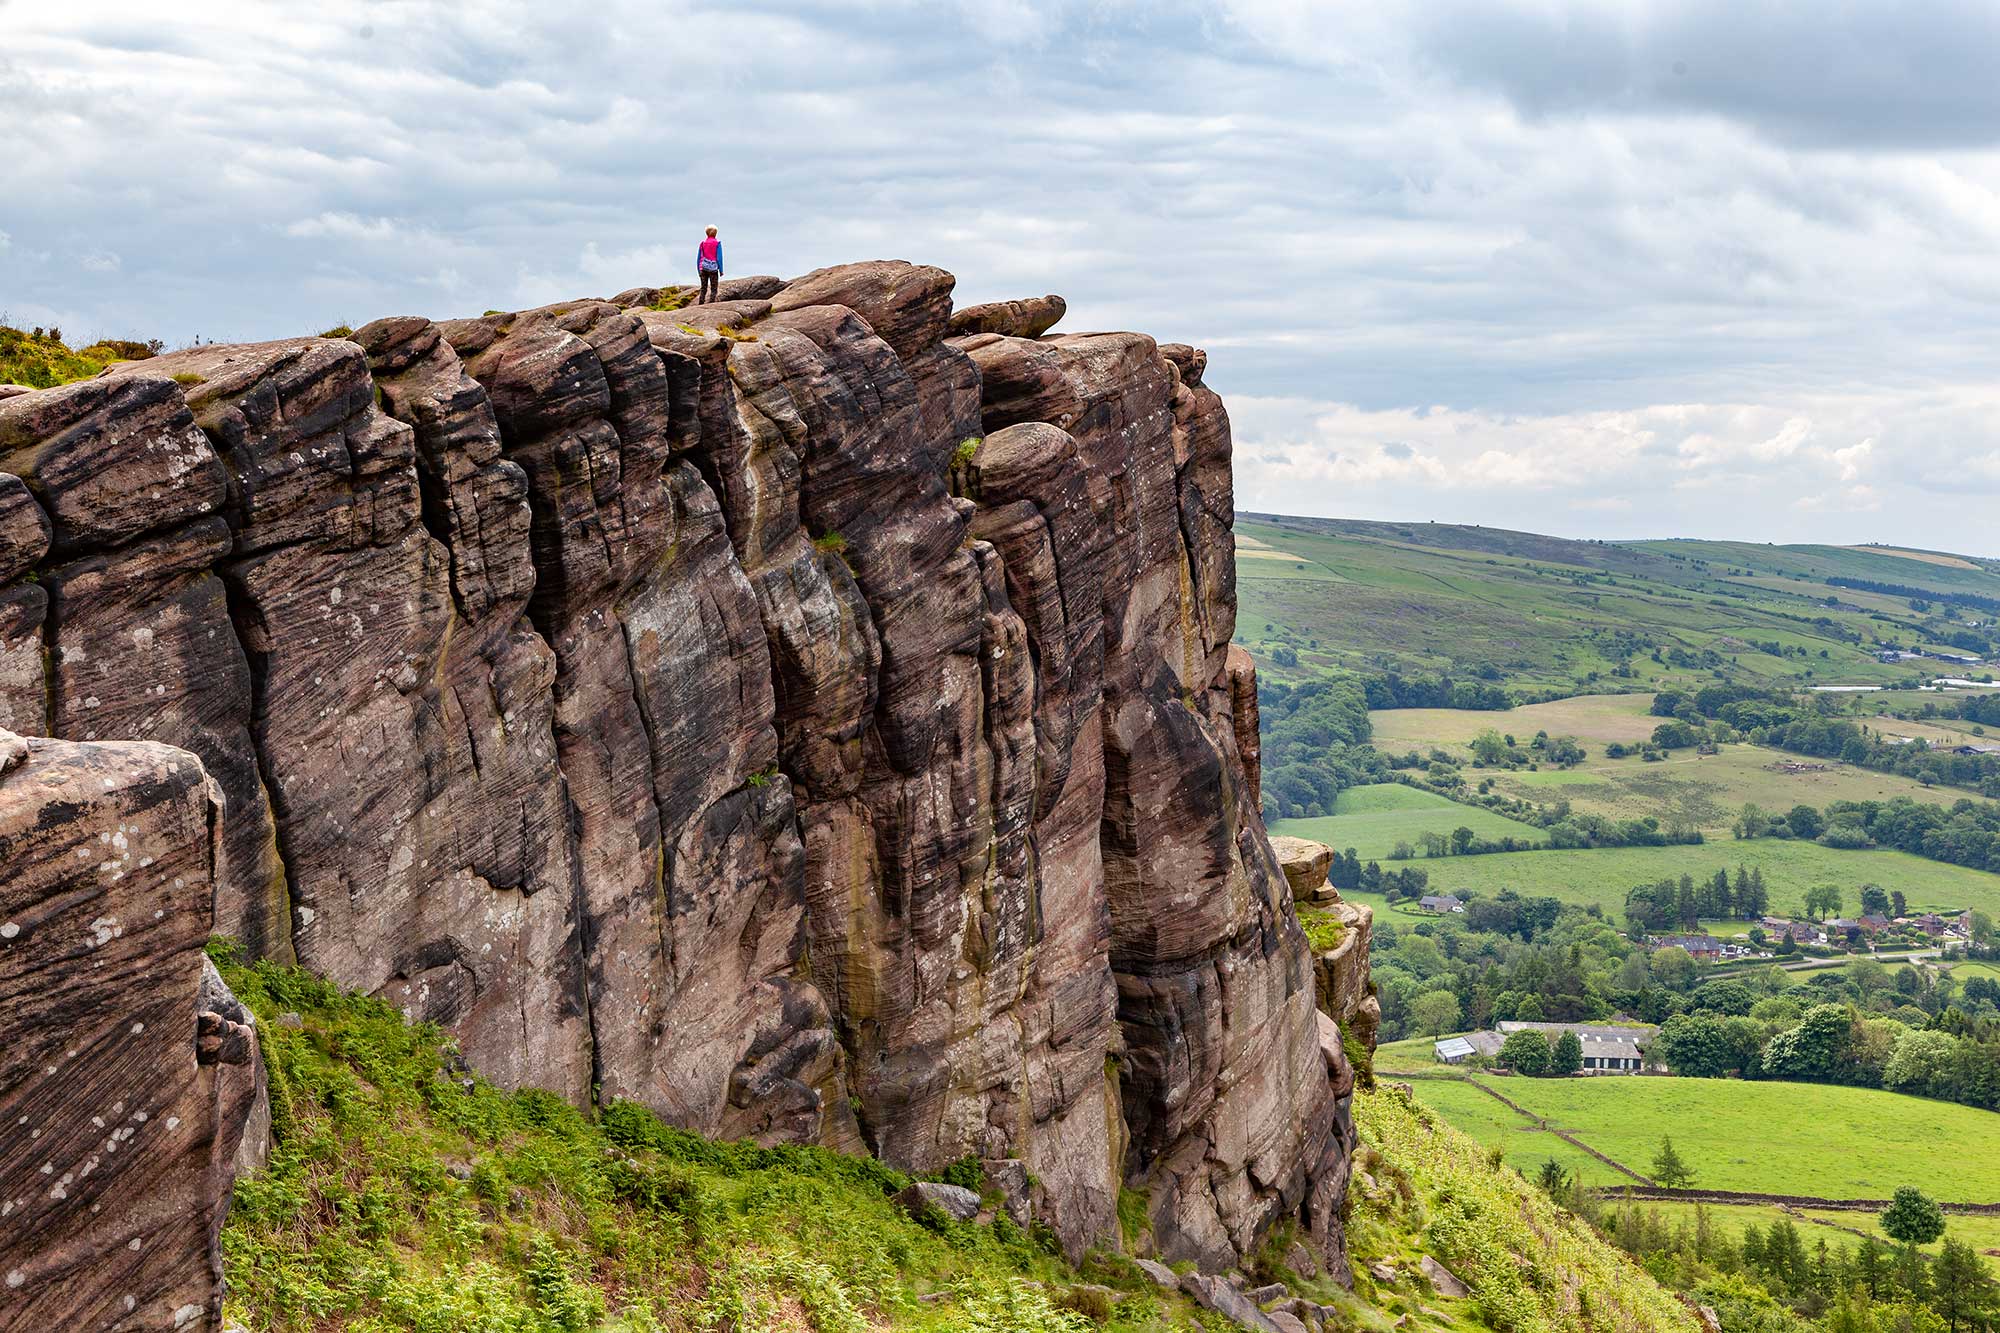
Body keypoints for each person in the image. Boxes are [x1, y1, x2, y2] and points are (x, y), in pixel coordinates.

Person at [696, 226, 723, 303]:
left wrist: (699, 269)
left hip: (703, 268)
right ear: (715, 234)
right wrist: (721, 270)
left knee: (703, 288)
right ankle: (711, 303)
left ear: (706, 233)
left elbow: (699, 257)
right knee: (714, 288)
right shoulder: (717, 243)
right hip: (713, 269)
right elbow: (719, 258)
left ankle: (701, 302)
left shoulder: (703, 243)